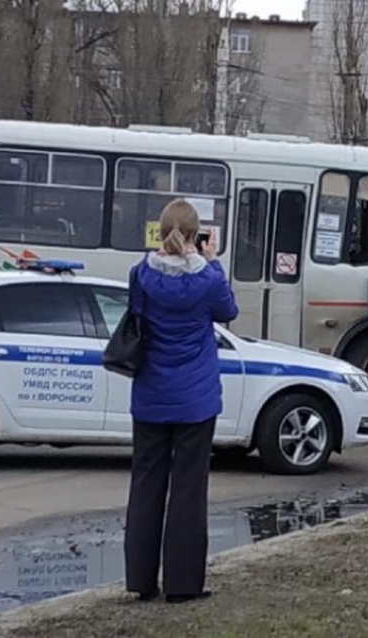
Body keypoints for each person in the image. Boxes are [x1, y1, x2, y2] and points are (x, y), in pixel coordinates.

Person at [124, 198, 238, 604]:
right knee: (189, 490)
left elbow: (136, 313)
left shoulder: (141, 274)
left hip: (151, 394)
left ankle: (140, 579)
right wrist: (210, 261)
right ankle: (183, 584)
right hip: (195, 399)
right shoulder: (207, 279)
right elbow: (229, 311)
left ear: (161, 232)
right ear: (195, 235)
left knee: (145, 485)